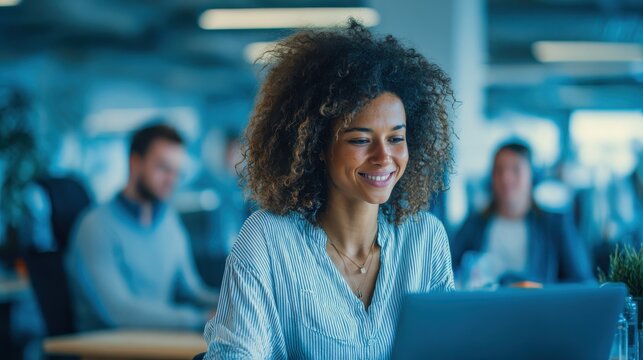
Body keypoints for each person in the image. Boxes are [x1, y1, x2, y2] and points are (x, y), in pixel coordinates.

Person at [203, 21, 455, 359]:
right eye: (361, 140)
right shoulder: (267, 241)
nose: (384, 157)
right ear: (318, 146)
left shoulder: (426, 240)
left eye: (396, 138)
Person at [66, 123, 218, 331]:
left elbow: (192, 291)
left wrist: (232, 304)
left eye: (177, 172)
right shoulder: (95, 226)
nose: (171, 180)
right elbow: (119, 311)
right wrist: (200, 319)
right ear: (135, 163)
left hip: (155, 342)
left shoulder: (168, 221)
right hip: (109, 350)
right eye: (163, 168)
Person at [451, 141, 594, 288]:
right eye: (499, 170)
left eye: (515, 170)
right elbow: (448, 271)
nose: (506, 178)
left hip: (538, 309)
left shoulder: (556, 225)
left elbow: (583, 282)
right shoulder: (474, 223)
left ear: (532, 176)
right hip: (483, 309)